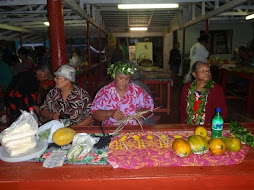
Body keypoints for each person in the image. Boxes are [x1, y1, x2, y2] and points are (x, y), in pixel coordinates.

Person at [91, 61, 154, 126]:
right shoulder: (105, 92)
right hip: (111, 131)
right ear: (114, 77)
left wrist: (143, 113)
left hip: (134, 131)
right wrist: (110, 113)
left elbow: (149, 109)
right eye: (121, 78)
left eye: (127, 78)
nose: (124, 81)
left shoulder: (137, 91)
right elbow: (94, 114)